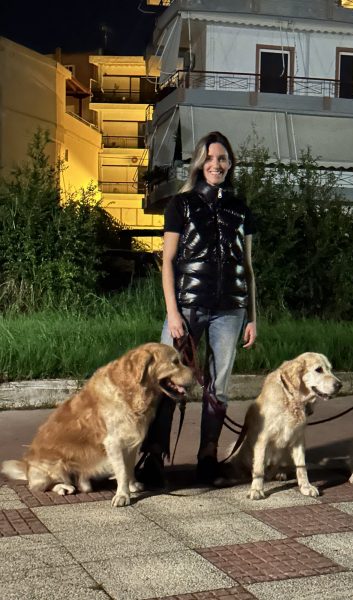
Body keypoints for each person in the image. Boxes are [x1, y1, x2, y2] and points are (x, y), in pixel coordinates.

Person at [140, 131, 257, 485]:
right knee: (167, 381)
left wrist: (252, 317)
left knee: (218, 387)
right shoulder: (181, 204)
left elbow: (248, 267)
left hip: (230, 310)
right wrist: (172, 313)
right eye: (209, 158)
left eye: (222, 158)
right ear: (199, 163)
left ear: (230, 164)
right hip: (188, 307)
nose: (215, 164)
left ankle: (208, 456)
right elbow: (167, 261)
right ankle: (154, 456)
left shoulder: (241, 210)